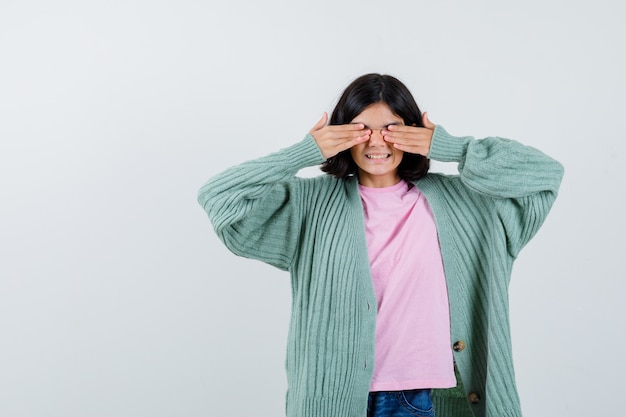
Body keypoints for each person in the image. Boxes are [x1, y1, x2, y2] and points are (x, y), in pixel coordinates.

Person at [197, 73, 564, 417]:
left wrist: (454, 148)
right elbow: (219, 198)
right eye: (361, 130)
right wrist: (303, 153)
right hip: (336, 398)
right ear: (340, 134)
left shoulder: (466, 202)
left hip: (433, 394)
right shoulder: (308, 206)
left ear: (415, 133)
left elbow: (545, 175)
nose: (376, 141)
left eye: (392, 129)